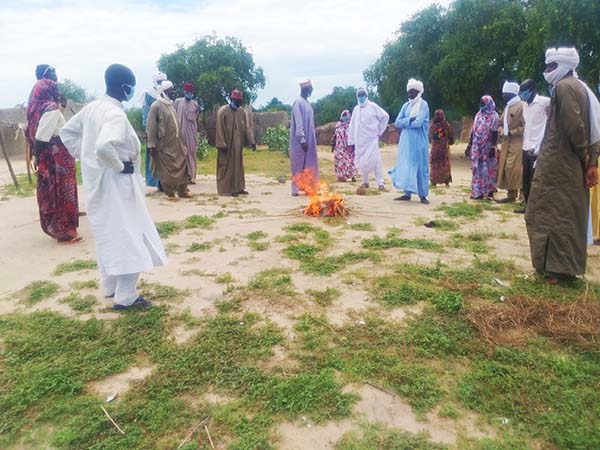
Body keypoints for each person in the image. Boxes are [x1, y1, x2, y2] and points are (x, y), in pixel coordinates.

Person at [60, 64, 167, 310]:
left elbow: (67, 133)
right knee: (130, 235)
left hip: (98, 183)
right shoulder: (115, 115)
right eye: (132, 86)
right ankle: (126, 295)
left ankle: (110, 287)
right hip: (118, 183)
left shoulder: (92, 109)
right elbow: (103, 146)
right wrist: (117, 166)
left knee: (108, 234)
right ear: (124, 87)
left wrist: (88, 161)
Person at [525, 47, 600, 283]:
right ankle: (560, 268)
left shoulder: (564, 88)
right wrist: (590, 160)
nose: (547, 72)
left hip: (560, 166)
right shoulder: (578, 87)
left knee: (548, 214)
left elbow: (575, 127)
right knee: (563, 214)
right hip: (567, 164)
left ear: (565, 66)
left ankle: (556, 271)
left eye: (551, 67)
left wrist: (587, 160)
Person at [25, 64, 81, 244]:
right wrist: (35, 155)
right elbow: (42, 136)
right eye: (52, 78)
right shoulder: (50, 108)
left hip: (52, 156)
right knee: (61, 193)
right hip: (56, 158)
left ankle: (63, 227)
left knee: (56, 192)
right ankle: (64, 232)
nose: (56, 81)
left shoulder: (38, 107)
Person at [146, 80, 191, 201]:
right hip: (164, 145)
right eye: (171, 90)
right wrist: (152, 145)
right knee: (166, 170)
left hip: (177, 144)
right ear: (165, 91)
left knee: (183, 164)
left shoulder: (170, 105)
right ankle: (170, 193)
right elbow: (151, 127)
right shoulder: (156, 106)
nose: (174, 92)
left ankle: (183, 191)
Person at [389, 79, 430, 203]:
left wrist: (406, 121)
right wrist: (410, 120)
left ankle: (423, 195)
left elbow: (418, 123)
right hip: (406, 142)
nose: (410, 95)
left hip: (419, 142)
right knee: (407, 165)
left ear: (418, 92)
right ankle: (407, 194)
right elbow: (397, 122)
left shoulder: (423, 105)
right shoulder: (406, 106)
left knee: (420, 167)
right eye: (409, 92)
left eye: (413, 92)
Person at [514, 79, 550, 214]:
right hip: (526, 145)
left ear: (531, 90)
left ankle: (537, 207)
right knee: (526, 178)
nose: (522, 94)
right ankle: (528, 205)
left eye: (523, 91)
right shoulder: (524, 106)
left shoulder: (545, 102)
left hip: (538, 146)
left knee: (536, 179)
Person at [215, 89, 256, 196]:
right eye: (237, 100)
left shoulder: (241, 112)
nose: (239, 102)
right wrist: (221, 144)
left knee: (238, 167)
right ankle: (227, 190)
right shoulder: (223, 111)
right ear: (232, 98)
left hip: (238, 146)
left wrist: (252, 142)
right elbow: (219, 129)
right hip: (226, 146)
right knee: (226, 168)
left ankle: (239, 187)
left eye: (240, 101)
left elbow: (246, 128)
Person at [348, 88, 389, 190]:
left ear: (366, 95)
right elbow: (352, 126)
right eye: (359, 95)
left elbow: (385, 117)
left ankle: (380, 183)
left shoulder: (373, 106)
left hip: (371, 139)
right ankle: (365, 182)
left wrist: (379, 131)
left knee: (376, 161)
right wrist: (351, 141)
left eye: (363, 95)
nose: (361, 97)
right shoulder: (356, 110)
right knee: (362, 162)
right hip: (359, 142)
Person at [466, 95, 500, 200]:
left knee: (489, 170)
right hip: (477, 147)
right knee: (477, 169)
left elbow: (494, 132)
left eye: (483, 103)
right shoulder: (478, 114)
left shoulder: (494, 116)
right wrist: (470, 145)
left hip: (488, 146)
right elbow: (473, 130)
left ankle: (489, 192)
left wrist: (493, 147)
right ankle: (477, 193)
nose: (481, 105)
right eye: (480, 103)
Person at [496, 81, 525, 203]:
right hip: (506, 143)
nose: (503, 96)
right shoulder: (507, 108)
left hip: (518, 142)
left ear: (512, 94)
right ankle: (511, 194)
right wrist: (502, 131)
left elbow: (526, 126)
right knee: (506, 168)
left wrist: (513, 132)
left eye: (506, 94)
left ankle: (523, 196)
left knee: (518, 169)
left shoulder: (522, 106)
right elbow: (501, 124)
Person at [290, 80, 319, 196]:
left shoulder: (308, 103)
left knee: (309, 164)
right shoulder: (298, 102)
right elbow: (299, 122)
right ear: (305, 89)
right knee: (297, 164)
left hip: (310, 140)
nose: (311, 92)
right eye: (310, 89)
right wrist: (302, 139)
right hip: (300, 140)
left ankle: (307, 187)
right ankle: (295, 189)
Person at [142, 71, 167, 188]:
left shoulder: (165, 93)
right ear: (155, 82)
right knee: (152, 155)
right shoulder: (149, 94)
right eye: (159, 81)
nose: (161, 83)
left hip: (163, 131)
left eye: (163, 81)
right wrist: (148, 130)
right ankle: (152, 180)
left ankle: (162, 181)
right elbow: (146, 113)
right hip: (153, 129)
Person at [174, 82, 200, 184]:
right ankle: (181, 176)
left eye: (190, 92)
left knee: (191, 154)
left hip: (191, 133)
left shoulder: (195, 104)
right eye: (187, 92)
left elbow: (195, 119)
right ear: (184, 92)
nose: (188, 93)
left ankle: (191, 176)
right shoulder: (178, 102)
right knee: (181, 154)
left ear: (192, 93)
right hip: (180, 132)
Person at [429, 109, 454, 187]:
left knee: (434, 164)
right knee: (445, 164)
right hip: (444, 149)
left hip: (435, 149)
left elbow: (430, 135)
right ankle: (446, 181)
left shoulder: (432, 125)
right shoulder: (446, 124)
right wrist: (450, 141)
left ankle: (433, 181)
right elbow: (450, 134)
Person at [331, 110, 355, 182]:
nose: (345, 117)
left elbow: (353, 136)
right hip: (339, 147)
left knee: (350, 162)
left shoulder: (351, 126)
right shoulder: (338, 125)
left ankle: (352, 176)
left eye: (346, 116)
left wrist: (353, 145)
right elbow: (334, 136)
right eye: (343, 115)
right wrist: (333, 145)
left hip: (348, 147)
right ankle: (341, 177)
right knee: (340, 162)